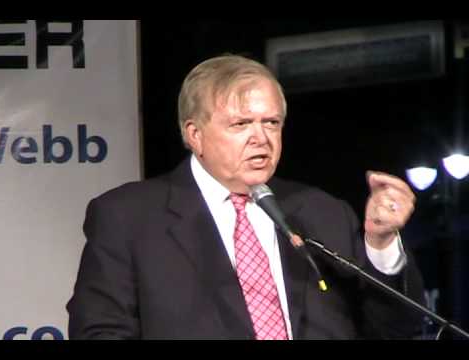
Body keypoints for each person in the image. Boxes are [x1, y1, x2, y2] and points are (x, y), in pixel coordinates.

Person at [67, 54, 424, 339]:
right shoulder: (128, 217)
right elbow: (100, 331)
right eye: (240, 124)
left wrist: (380, 243)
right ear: (195, 135)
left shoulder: (322, 211)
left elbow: (396, 330)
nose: (261, 138)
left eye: (271, 123)